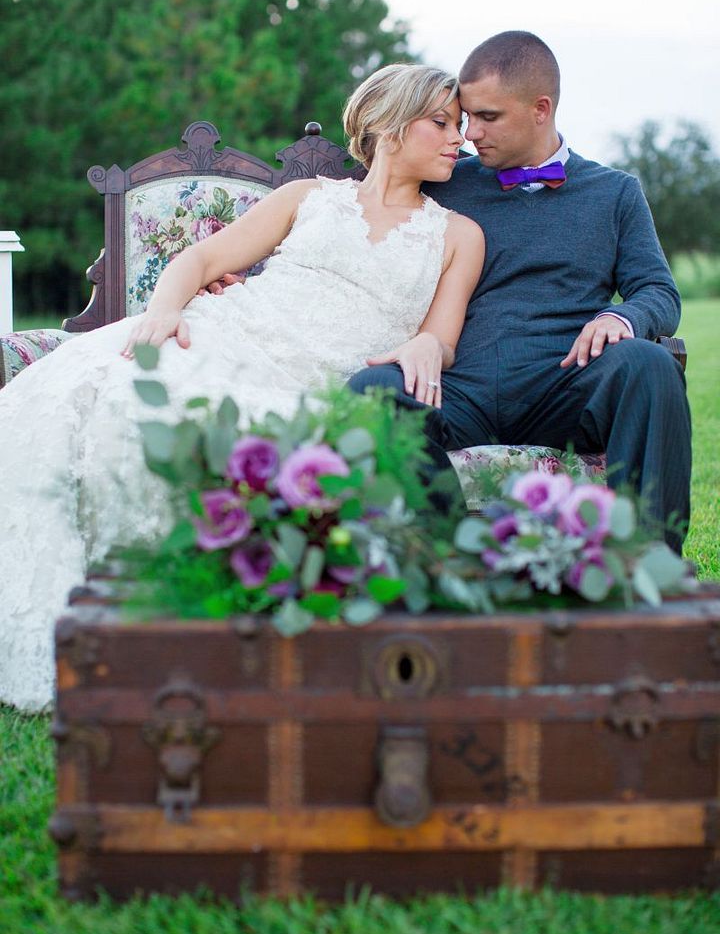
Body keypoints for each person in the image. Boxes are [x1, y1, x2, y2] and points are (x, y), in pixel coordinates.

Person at [0, 63, 485, 712]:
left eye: (460, 126)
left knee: (214, 435)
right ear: (389, 126)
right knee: (83, 392)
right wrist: (166, 310)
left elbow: (441, 339)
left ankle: (168, 637)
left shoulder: (458, 234)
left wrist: (431, 343)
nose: (460, 138)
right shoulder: (308, 197)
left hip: (309, 379)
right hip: (221, 333)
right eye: (443, 122)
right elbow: (200, 260)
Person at [350, 32, 691, 554]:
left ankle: (648, 565)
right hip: (456, 387)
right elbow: (368, 216)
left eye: (488, 117)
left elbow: (658, 291)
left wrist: (619, 319)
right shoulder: (445, 179)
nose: (469, 134)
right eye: (465, 118)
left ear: (541, 109)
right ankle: (444, 562)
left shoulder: (615, 192)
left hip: (564, 383)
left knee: (649, 365)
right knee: (374, 390)